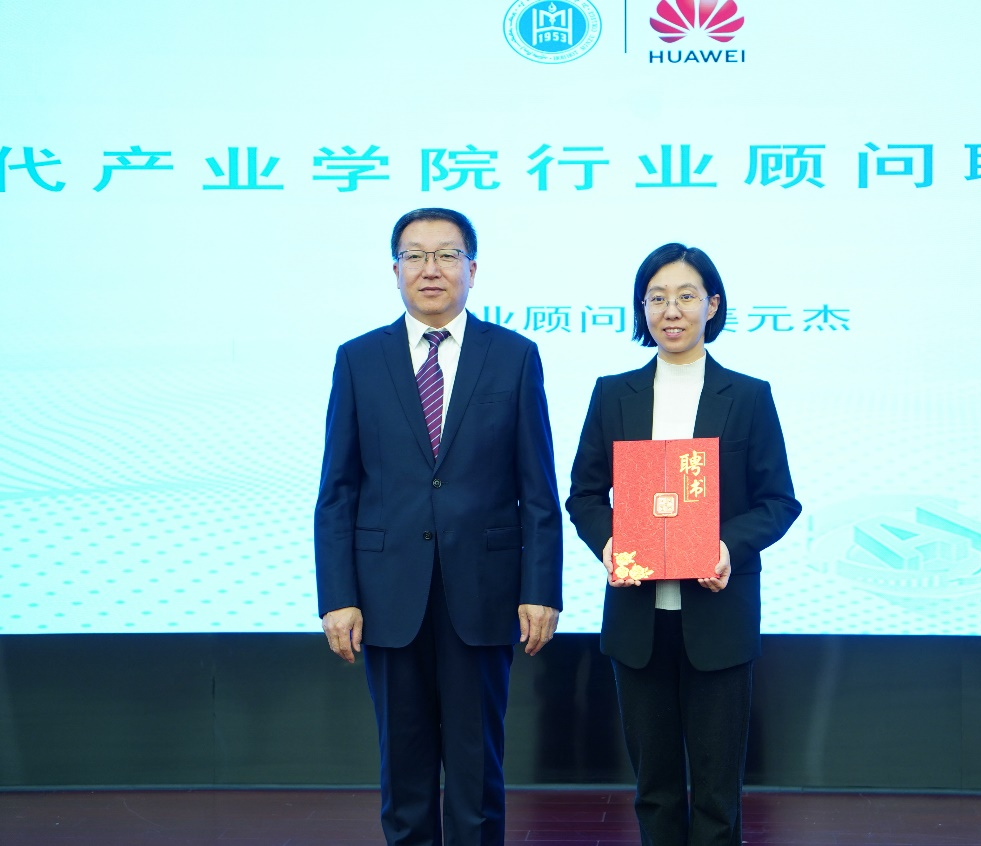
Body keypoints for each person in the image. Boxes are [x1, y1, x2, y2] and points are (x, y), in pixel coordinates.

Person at [314, 208, 563, 846]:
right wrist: (337, 595)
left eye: (447, 255)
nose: (431, 269)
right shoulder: (358, 359)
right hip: (387, 593)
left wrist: (542, 589)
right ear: (394, 270)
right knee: (404, 770)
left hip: (483, 591)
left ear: (472, 269)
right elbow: (338, 489)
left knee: (478, 771)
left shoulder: (513, 356)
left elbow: (538, 487)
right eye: (415, 256)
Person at [566, 243, 801, 845]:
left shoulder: (747, 396)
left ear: (712, 305)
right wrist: (611, 542)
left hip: (718, 616)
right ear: (641, 308)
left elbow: (779, 501)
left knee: (718, 795)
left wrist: (726, 546)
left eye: (686, 296)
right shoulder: (612, 393)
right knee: (655, 790)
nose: (671, 310)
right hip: (637, 621)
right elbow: (584, 495)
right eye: (657, 298)